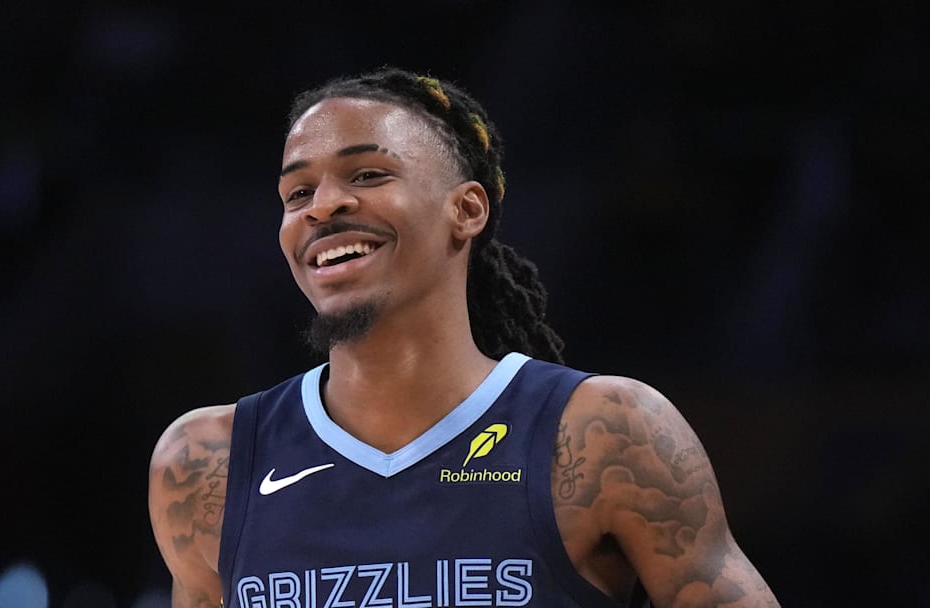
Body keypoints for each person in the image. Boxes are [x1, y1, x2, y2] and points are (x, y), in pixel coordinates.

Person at [148, 68, 779, 608]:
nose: (322, 206)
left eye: (367, 174)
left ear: (466, 210)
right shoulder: (207, 463)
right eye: (299, 191)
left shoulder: (601, 432)